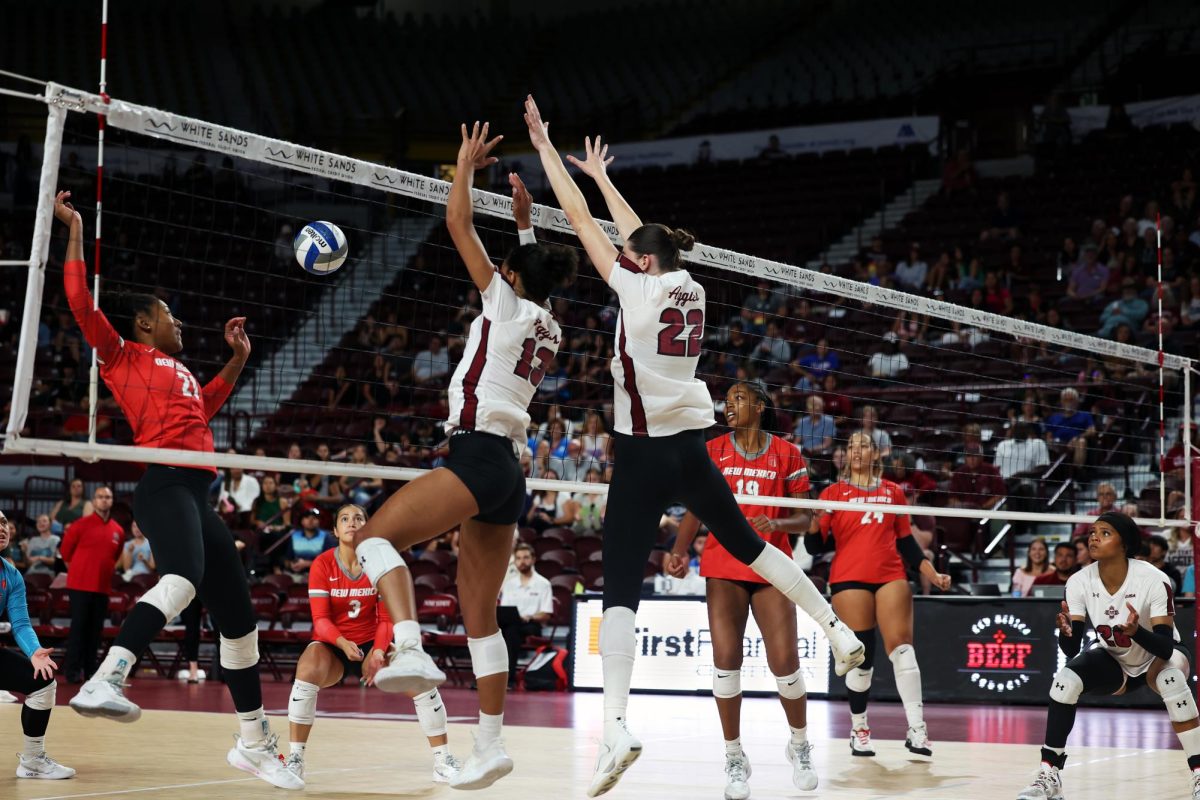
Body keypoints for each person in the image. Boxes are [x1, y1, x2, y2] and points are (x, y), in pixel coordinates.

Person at [523, 99, 865, 797]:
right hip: (692, 446)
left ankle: (616, 723)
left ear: (641, 263)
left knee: (620, 582)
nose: (619, 259)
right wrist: (604, 177)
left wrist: (550, 154)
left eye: (628, 258)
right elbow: (632, 231)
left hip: (645, 454)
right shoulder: (691, 286)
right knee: (749, 545)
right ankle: (832, 624)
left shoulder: (636, 290)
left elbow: (588, 226)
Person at [350, 125, 578, 791]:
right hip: (510, 475)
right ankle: (490, 745)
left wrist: (462, 169)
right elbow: (532, 276)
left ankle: (411, 645)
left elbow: (456, 222)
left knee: (372, 538)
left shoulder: (504, 301)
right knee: (479, 613)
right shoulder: (550, 325)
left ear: (507, 277)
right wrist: (527, 229)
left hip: (479, 456)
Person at [53, 191, 300, 789]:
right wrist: (77, 231)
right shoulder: (122, 354)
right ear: (144, 323)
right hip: (163, 483)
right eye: (170, 315)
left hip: (200, 491)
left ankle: (252, 741)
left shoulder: (182, 372)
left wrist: (237, 360)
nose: (179, 323)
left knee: (240, 622)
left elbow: (204, 409)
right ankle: (108, 676)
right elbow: (81, 300)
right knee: (183, 579)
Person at [666, 382, 819, 798]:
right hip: (723, 562)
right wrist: (679, 550)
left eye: (738, 398)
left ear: (760, 405)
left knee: (785, 662)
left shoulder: (788, 452)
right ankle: (734, 756)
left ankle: (800, 745)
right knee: (726, 659)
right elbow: (697, 507)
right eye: (727, 399)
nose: (728, 405)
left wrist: (779, 525)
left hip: (773, 564)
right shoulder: (713, 449)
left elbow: (809, 520)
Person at [1016, 513, 1200, 800]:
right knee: (1064, 682)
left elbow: (1164, 646)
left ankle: (1199, 773)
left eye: (1104, 533)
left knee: (1171, 679)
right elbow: (1071, 649)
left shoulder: (1153, 579)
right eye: (1092, 532)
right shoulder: (1079, 581)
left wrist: (1137, 631)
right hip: (1117, 659)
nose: (1093, 537)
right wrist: (1066, 633)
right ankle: (1049, 774)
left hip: (1162, 655)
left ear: (1124, 543)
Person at [285, 504, 460, 783]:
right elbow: (320, 620)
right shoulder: (322, 564)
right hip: (335, 646)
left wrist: (378, 650)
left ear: (367, 526)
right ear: (335, 530)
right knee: (306, 668)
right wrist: (343, 644)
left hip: (374, 641)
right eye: (344, 518)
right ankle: (294, 759)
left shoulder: (378, 560)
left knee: (421, 680)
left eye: (358, 518)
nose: (351, 522)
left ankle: (443, 761)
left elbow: (388, 617)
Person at [804, 431, 951, 759]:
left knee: (903, 650)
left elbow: (908, 545)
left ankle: (917, 730)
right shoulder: (833, 493)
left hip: (890, 576)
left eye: (864, 445)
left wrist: (933, 574)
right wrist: (813, 526)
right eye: (852, 446)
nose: (857, 450)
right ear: (845, 454)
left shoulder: (894, 492)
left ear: (877, 454)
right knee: (862, 656)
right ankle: (859, 729)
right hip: (848, 578)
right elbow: (817, 547)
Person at [0, 509, 76, 780]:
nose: (1, 528)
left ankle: (32, 760)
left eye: (4, 522)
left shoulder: (12, 576)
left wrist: (34, 652)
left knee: (43, 682)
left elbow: (20, 623)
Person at [60, 485, 123, 684]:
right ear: (94, 501)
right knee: (78, 628)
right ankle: (71, 672)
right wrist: (80, 571)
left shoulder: (118, 531)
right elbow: (65, 553)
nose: (104, 500)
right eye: (100, 497)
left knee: (96, 631)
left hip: (102, 588)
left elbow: (115, 556)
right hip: (79, 586)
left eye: (108, 497)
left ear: (112, 501)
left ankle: (90, 671)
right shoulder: (79, 525)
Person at [498, 543, 553, 688]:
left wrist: (530, 617)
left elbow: (546, 614)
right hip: (512, 623)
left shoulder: (543, 584)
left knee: (510, 632)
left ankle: (508, 679)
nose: (522, 561)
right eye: (518, 558)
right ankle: (491, 678)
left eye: (526, 557)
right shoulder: (509, 584)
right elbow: (505, 609)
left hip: (532, 624)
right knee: (502, 631)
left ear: (533, 559)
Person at [948, 445, 1006, 510]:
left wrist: (982, 508)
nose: (972, 459)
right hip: (963, 513)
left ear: (982, 457)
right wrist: (964, 509)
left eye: (975, 456)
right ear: (965, 458)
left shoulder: (992, 471)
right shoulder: (958, 473)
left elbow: (999, 495)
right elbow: (952, 498)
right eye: (969, 456)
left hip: (986, 513)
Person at [285, 509, 336, 577]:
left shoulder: (327, 536)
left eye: (314, 518)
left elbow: (331, 563)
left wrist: (307, 564)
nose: (310, 520)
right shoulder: (295, 536)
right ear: (302, 521)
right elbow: (288, 559)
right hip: (296, 574)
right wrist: (291, 564)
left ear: (319, 521)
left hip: (320, 575)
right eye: (307, 518)